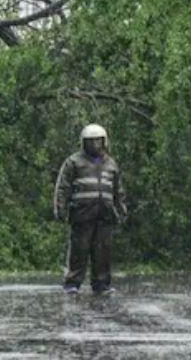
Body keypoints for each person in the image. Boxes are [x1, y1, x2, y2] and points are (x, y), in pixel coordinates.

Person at [53, 123, 127, 295]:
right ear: (83, 143)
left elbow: (118, 190)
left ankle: (102, 285)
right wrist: (61, 210)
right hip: (82, 214)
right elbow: (63, 188)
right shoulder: (73, 162)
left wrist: (121, 211)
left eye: (98, 141)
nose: (95, 145)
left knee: (103, 252)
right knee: (79, 250)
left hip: (105, 215)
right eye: (90, 141)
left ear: (104, 142)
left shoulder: (111, 164)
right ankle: (72, 284)